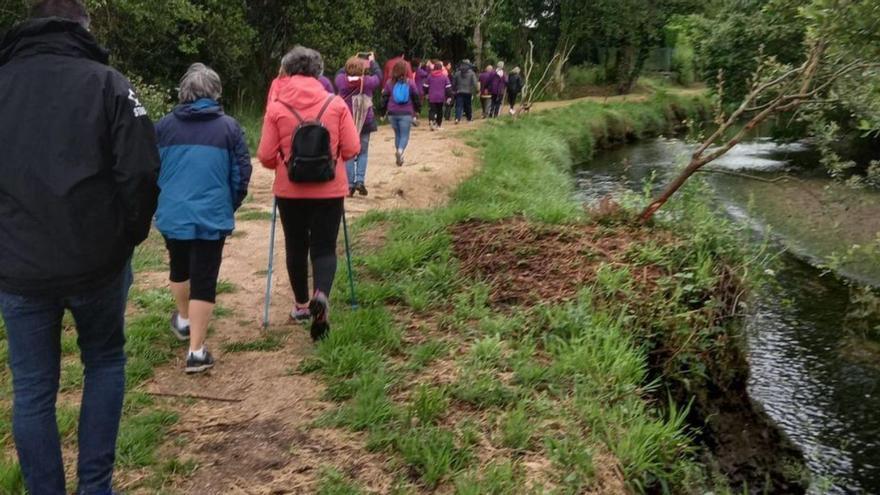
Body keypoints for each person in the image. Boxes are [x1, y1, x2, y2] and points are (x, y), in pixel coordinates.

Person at [0, 1, 160, 493]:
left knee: (31, 390)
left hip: (19, 269)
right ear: (83, 28)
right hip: (97, 262)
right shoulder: (109, 84)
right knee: (105, 362)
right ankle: (96, 487)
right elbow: (142, 172)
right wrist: (126, 238)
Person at [258, 46, 360, 340]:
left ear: (287, 71)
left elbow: (265, 156)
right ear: (318, 71)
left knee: (296, 246)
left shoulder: (276, 107)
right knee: (325, 247)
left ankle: (302, 306)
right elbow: (353, 149)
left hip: (291, 191)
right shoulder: (336, 104)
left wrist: (284, 162)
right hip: (330, 190)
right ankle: (322, 295)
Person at [155, 64, 252, 373]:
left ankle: (183, 319)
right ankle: (195, 351)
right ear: (215, 92)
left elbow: (149, 170)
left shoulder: (162, 127)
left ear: (184, 92)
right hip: (211, 214)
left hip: (172, 212)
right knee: (205, 279)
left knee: (179, 267)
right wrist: (229, 204)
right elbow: (241, 175)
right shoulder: (229, 128)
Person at [336, 53, 381, 197]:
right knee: (363, 152)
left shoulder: (341, 81)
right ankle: (360, 181)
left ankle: (349, 185)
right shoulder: (367, 82)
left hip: (347, 122)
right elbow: (379, 76)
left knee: (348, 153)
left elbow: (340, 72)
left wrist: (352, 61)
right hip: (365, 121)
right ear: (362, 69)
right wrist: (372, 62)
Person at [383, 59, 422, 166]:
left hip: (392, 113)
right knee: (404, 135)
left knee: (397, 135)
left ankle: (399, 155)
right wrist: (417, 111)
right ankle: (400, 152)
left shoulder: (389, 83)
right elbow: (416, 98)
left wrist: (383, 112)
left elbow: (385, 98)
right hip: (406, 113)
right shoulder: (410, 82)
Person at [423, 62, 452, 130]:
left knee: (432, 110)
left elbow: (425, 86)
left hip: (432, 97)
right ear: (441, 68)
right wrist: (449, 96)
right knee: (439, 111)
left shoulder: (430, 76)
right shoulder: (444, 76)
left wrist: (426, 93)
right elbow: (448, 88)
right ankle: (438, 125)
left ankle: (431, 121)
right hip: (441, 97)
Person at [453, 59, 479, 123]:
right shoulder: (472, 73)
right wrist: (477, 90)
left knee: (458, 106)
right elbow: (475, 83)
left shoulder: (457, 73)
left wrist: (455, 88)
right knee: (468, 106)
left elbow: (454, 83)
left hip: (459, 91)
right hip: (468, 92)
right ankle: (469, 118)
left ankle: (457, 118)